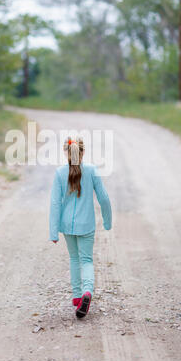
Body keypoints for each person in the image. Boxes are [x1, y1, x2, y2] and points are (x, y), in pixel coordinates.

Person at [49, 136, 112, 318]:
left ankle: (77, 297)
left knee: (74, 259)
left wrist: (53, 231)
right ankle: (87, 292)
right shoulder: (92, 170)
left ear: (66, 153)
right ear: (83, 152)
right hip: (87, 224)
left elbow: (55, 204)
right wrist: (107, 221)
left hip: (67, 225)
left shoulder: (60, 173)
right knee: (86, 260)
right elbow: (104, 198)